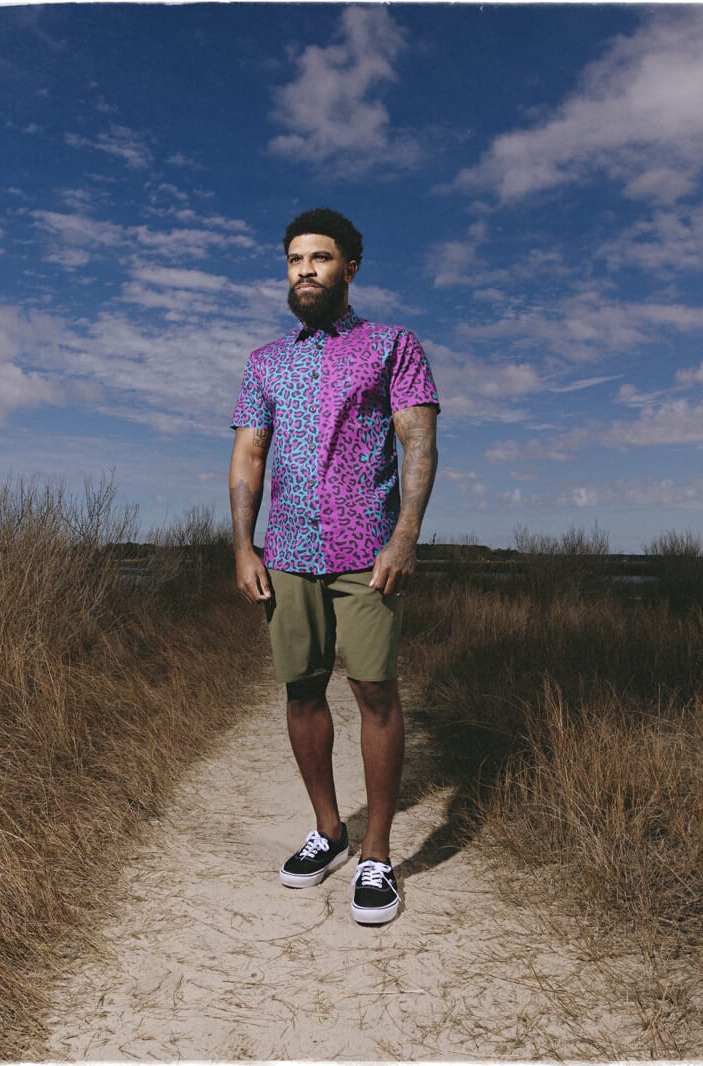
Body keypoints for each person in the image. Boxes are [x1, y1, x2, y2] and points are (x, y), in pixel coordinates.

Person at [228, 207, 439, 925]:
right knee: (301, 691)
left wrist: (405, 535)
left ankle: (376, 854)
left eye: (319, 258)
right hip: (287, 550)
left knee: (375, 691)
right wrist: (244, 546)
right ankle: (329, 830)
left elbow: (418, 442)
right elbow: (249, 453)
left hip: (367, 550)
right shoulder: (266, 362)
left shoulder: (391, 346)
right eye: (294, 260)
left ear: (349, 267)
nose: (305, 271)